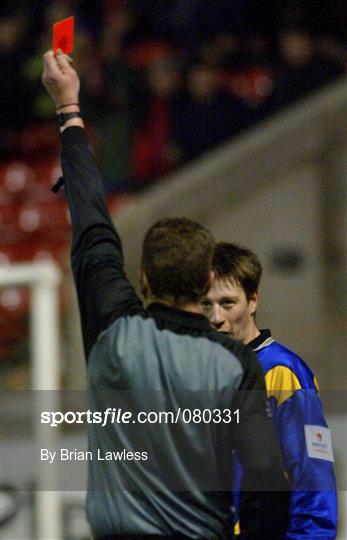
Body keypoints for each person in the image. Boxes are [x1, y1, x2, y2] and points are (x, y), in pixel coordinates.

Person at [42, 50, 288, 539]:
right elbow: (266, 476)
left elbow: (94, 229)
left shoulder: (114, 334)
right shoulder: (237, 362)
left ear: (144, 280)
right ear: (205, 285)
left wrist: (69, 109)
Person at [201, 242, 338, 539]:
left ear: (253, 301)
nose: (215, 318)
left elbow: (313, 478)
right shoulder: (202, 374)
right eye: (205, 304)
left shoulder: (283, 372)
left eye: (227, 303)